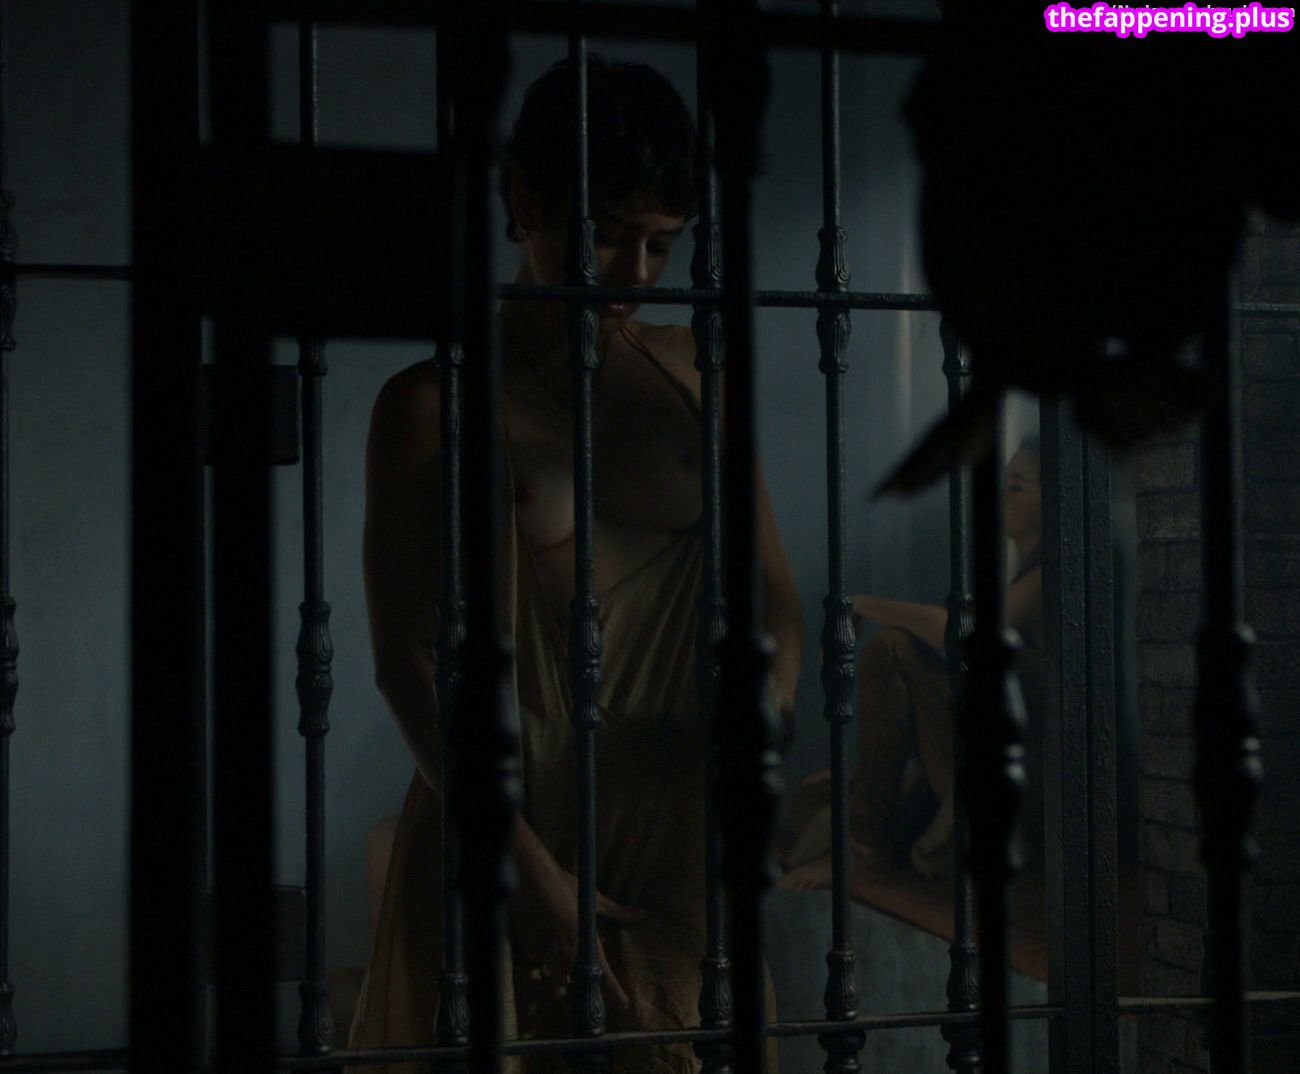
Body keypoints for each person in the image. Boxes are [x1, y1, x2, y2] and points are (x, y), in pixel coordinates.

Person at [349, 54, 803, 1074]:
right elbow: (407, 665)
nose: (635, 274)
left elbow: (772, 592)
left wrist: (766, 714)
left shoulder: (695, 373)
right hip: (511, 820)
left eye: (661, 244)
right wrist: (529, 873)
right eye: (605, 235)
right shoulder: (432, 404)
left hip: (674, 813)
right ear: (525, 204)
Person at [777, 435, 1042, 889]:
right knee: (816, 797)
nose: (1001, 494)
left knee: (893, 650)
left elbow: (962, 632)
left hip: (1024, 780)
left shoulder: (1052, 574)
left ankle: (865, 849)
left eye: (1016, 485)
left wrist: (862, 604)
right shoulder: (1021, 573)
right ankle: (867, 833)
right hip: (989, 763)